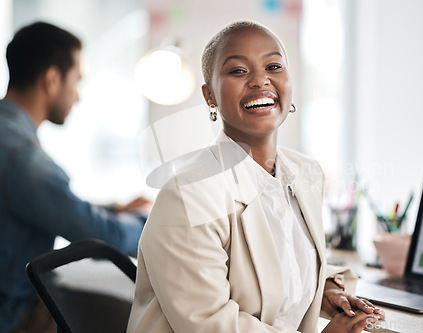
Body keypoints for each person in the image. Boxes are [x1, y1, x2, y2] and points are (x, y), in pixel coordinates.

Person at [127, 20, 384, 333]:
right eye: (238, 71)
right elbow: (209, 324)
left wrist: (325, 291)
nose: (260, 80)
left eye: (273, 66)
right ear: (210, 97)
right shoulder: (187, 194)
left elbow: (281, 263)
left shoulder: (305, 174)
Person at [0, 22, 150, 333]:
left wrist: (115, 209)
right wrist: (159, 219)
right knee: (146, 321)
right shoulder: (20, 157)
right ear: (52, 78)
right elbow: (101, 235)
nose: (78, 96)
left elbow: (45, 205)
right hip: (15, 316)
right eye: (77, 81)